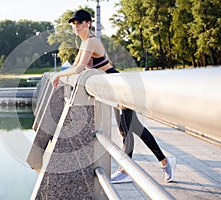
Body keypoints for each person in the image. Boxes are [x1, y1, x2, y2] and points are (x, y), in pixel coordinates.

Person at [51, 9, 176, 183]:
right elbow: (75, 66)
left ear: (88, 23)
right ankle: (165, 162)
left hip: (120, 86)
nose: (76, 26)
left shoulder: (91, 42)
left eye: (80, 23)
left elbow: (79, 69)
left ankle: (126, 170)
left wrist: (58, 75)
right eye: (74, 24)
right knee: (134, 128)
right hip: (114, 86)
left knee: (125, 129)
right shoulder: (85, 43)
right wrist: (62, 74)